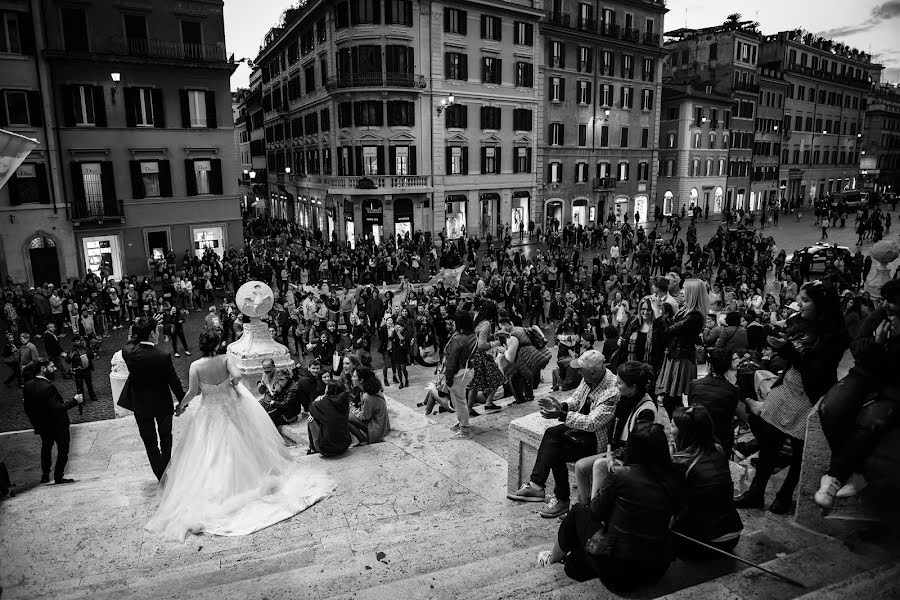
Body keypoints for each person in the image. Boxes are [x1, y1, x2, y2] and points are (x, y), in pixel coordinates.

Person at [145, 330, 334, 541]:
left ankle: (218, 491)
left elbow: (192, 392)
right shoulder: (226, 359)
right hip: (231, 408)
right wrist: (231, 386)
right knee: (243, 444)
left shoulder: (195, 366)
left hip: (209, 412)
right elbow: (237, 377)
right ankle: (251, 481)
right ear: (217, 344)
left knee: (209, 452)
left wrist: (181, 406)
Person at [736, 281, 850, 514]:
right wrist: (781, 344)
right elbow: (796, 355)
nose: (799, 303)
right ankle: (756, 492)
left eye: (805, 300)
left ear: (821, 304)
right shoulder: (805, 324)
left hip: (808, 396)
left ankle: (784, 496)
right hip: (787, 391)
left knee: (799, 452)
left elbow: (815, 371)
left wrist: (787, 350)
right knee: (769, 444)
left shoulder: (834, 336)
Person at [536, 423, 681, 593]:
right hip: (656, 570)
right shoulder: (674, 477)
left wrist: (612, 476)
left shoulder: (621, 475)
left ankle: (552, 559)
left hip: (618, 572)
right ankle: (572, 561)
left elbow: (595, 512)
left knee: (577, 512)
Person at [815, 278, 900, 509]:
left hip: (894, 387)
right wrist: (876, 342)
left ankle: (835, 475)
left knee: (871, 421)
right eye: (887, 307)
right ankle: (856, 469)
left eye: (895, 311)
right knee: (829, 408)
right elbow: (857, 347)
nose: (888, 314)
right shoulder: (880, 315)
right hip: (864, 373)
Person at [507, 350, 620, 519]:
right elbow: (575, 400)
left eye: (580, 369)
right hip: (579, 429)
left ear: (593, 372)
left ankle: (560, 500)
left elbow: (592, 423)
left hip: (595, 439)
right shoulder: (589, 378)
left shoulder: (612, 390)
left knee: (555, 453)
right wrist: (560, 405)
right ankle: (537, 484)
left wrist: (561, 414)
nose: (578, 372)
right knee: (551, 433)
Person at [573, 361, 661, 506]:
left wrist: (612, 457)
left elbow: (638, 448)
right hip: (617, 451)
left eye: (619, 383)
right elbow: (613, 429)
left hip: (633, 460)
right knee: (581, 466)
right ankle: (583, 506)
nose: (616, 386)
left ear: (633, 387)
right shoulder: (624, 400)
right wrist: (609, 450)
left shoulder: (647, 411)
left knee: (600, 465)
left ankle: (594, 512)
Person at [117, 316, 186, 481]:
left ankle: (160, 475)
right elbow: (174, 381)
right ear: (151, 334)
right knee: (166, 438)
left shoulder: (129, 352)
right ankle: (165, 469)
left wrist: (140, 327)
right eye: (157, 330)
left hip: (140, 405)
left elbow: (130, 341)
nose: (158, 334)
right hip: (162, 404)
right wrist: (182, 403)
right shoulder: (162, 355)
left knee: (150, 443)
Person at [671, 405, 743, 559]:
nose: (669, 430)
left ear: (685, 433)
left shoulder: (682, 464)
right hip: (733, 535)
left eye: (672, 426)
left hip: (704, 543)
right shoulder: (718, 449)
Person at [23, 358, 84, 484]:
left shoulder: (28, 385)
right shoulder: (47, 387)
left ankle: (45, 475)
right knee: (63, 450)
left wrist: (36, 423)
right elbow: (58, 408)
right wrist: (75, 400)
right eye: (51, 367)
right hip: (57, 425)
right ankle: (58, 476)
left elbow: (28, 408)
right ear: (43, 369)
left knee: (46, 448)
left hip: (42, 425)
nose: (54, 369)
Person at [656, 279, 709, 418]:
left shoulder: (694, 315)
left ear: (692, 293)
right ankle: (679, 428)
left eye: (685, 289)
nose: (682, 292)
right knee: (672, 400)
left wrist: (658, 314)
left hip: (682, 358)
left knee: (671, 400)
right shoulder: (687, 310)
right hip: (677, 355)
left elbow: (669, 331)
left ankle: (680, 427)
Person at [687, 348, 742, 457]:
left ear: (709, 365)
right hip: (721, 439)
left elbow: (691, 407)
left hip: (696, 436)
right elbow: (730, 415)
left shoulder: (694, 384)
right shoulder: (733, 390)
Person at [444, 311, 477, 439]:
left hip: (458, 374)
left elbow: (451, 361)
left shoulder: (458, 339)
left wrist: (448, 378)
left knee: (460, 402)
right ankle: (461, 422)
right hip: (468, 370)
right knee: (459, 400)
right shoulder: (473, 335)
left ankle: (465, 430)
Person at [307, 379, 353, 457]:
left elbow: (311, 409)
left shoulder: (320, 404)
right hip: (345, 445)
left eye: (326, 388)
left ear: (329, 390)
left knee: (311, 419)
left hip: (327, 449)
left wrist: (319, 400)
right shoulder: (344, 402)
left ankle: (312, 448)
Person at [348, 367, 391, 445]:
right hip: (382, 424)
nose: (352, 378)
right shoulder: (373, 390)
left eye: (354, 376)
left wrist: (353, 409)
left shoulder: (367, 396)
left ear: (361, 380)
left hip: (377, 429)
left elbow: (365, 417)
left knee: (347, 417)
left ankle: (363, 440)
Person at [68, 335, 98, 405]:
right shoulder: (72, 351)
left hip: (87, 370)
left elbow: (91, 356)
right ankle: (81, 399)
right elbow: (68, 360)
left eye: (79, 341)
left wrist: (93, 353)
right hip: (78, 372)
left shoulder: (85, 349)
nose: (78, 342)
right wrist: (70, 356)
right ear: (74, 343)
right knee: (79, 386)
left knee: (89, 384)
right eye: (76, 341)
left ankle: (92, 396)